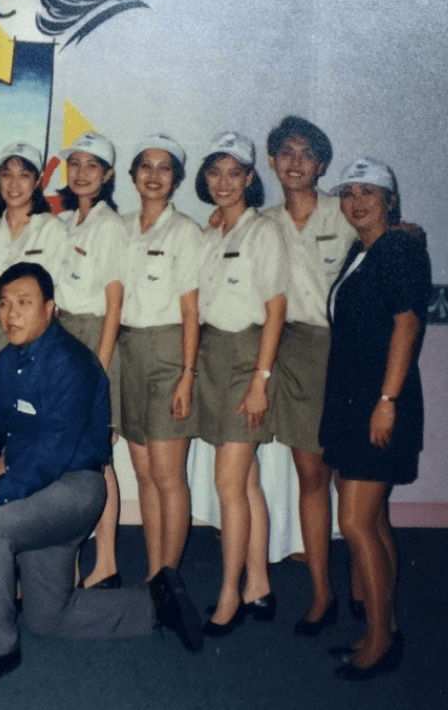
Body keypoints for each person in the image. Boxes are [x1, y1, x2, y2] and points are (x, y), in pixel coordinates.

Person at [0, 262, 202, 685]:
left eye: (24, 303)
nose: (10, 313)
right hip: (36, 491)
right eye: (4, 303)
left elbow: (52, 455)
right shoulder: (5, 360)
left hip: (74, 490)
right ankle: (157, 605)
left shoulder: (72, 362)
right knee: (47, 618)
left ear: (50, 308)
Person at [320, 159, 430, 680]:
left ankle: (381, 642)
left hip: (379, 405)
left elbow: (407, 324)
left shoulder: (401, 248)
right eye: (348, 192)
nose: (356, 201)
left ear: (389, 199)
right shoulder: (363, 252)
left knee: (354, 522)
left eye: (369, 192)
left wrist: (386, 400)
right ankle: (381, 627)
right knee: (375, 518)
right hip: (352, 403)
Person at [261, 116, 355, 635]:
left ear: (321, 164)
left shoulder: (346, 214)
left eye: (306, 153)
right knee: (312, 478)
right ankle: (323, 592)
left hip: (347, 354)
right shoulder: (263, 224)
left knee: (355, 479)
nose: (295, 161)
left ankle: (365, 580)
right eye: (286, 152)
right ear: (273, 162)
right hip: (296, 353)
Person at [194, 131, 287, 636]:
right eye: (216, 172)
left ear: (251, 179)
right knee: (245, 482)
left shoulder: (262, 232)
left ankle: (229, 594)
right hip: (213, 357)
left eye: (235, 173)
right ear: (205, 179)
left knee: (228, 485)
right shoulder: (212, 233)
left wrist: (260, 381)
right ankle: (258, 583)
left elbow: (275, 310)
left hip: (247, 358)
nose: (224, 182)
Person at [117, 135, 202, 582]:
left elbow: (191, 311)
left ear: (176, 179)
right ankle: (154, 574)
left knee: (169, 476)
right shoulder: (121, 226)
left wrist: (187, 375)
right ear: (133, 176)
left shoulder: (186, 232)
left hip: (170, 354)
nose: (153, 175)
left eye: (164, 168)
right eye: (145, 166)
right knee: (145, 474)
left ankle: (170, 576)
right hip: (129, 353)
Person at [54, 131, 126, 589]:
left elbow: (114, 303)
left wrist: (97, 372)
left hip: (94, 340)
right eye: (74, 163)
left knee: (98, 459)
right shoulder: (65, 222)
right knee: (70, 455)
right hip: (62, 337)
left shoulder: (111, 226)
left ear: (107, 175)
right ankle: (72, 561)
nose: (81, 172)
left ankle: (107, 562)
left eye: (91, 165)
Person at [0, 141, 62, 418]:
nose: (14, 184)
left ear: (38, 181)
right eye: (7, 174)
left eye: (24, 175)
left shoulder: (52, 229)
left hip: (33, 339)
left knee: (28, 427)